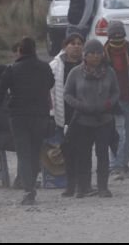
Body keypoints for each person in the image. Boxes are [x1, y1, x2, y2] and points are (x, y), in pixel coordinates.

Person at [0, 37, 55, 206]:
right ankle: (31, 183)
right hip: (40, 115)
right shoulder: (45, 67)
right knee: (35, 150)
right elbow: (51, 82)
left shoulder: (12, 69)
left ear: (20, 51)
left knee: (23, 153)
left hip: (19, 117)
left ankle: (28, 190)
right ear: (34, 50)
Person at [64, 39, 119, 198]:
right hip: (83, 120)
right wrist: (80, 105)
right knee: (83, 155)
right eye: (92, 53)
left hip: (104, 119)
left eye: (99, 53)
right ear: (85, 55)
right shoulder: (75, 72)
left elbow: (116, 92)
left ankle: (103, 187)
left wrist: (108, 103)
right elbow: (67, 94)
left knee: (102, 154)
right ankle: (83, 187)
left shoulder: (109, 72)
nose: (96, 56)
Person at [104, 21, 129, 181]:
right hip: (114, 101)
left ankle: (124, 164)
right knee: (119, 135)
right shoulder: (102, 54)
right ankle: (115, 167)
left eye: (120, 35)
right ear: (109, 36)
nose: (118, 38)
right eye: (114, 35)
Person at [49, 32, 85, 197]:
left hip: (84, 115)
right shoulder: (55, 66)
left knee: (83, 151)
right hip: (62, 116)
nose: (76, 46)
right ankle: (69, 185)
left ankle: (83, 185)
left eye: (79, 43)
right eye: (73, 43)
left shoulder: (87, 64)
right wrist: (51, 113)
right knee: (67, 152)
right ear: (65, 46)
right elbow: (49, 91)